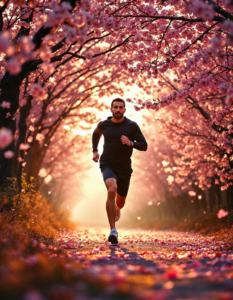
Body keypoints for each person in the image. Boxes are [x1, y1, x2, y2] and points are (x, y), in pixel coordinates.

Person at [92, 98, 148, 244]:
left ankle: (117, 207)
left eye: (120, 107)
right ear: (111, 109)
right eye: (115, 107)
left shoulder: (131, 126)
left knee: (121, 201)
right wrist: (95, 151)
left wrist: (131, 143)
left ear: (124, 110)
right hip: (107, 164)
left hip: (124, 167)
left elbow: (144, 145)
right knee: (112, 190)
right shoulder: (104, 125)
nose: (118, 110)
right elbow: (95, 134)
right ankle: (113, 230)